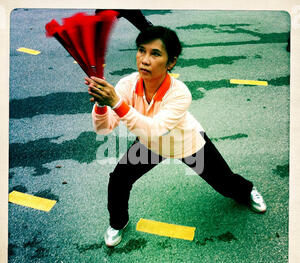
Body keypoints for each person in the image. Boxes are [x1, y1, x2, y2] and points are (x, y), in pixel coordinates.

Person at [85, 26, 267, 247]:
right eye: (141, 50)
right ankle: (118, 222)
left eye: (155, 54)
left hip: (187, 144)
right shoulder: (127, 85)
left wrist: (115, 102)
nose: (144, 60)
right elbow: (103, 129)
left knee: (225, 184)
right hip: (150, 145)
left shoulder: (179, 93)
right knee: (119, 180)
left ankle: (248, 190)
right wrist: (102, 106)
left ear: (171, 62)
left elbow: (154, 129)